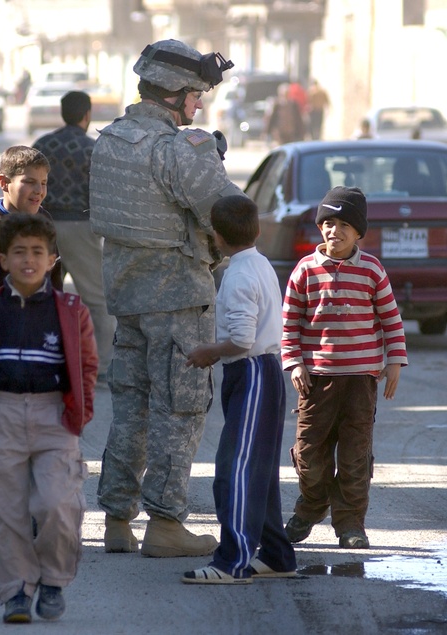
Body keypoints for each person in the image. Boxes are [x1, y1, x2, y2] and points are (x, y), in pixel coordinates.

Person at [89, 38, 242, 558]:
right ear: (176, 93)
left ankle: (116, 518)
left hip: (127, 297)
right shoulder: (179, 148)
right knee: (179, 409)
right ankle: (166, 524)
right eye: (196, 95)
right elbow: (228, 217)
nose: (198, 106)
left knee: (130, 407)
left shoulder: (110, 140)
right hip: (179, 300)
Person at [0, 213, 97, 623]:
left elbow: (88, 366)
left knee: (57, 504)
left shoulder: (70, 309)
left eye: (38, 252)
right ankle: (15, 594)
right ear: (4, 260)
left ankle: (52, 581)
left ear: (52, 259)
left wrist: (79, 415)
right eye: (19, 252)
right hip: (4, 414)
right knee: (5, 513)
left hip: (53, 417)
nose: (29, 260)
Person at [280, 186, 408, 550]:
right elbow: (289, 324)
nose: (334, 231)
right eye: (328, 223)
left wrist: (394, 359)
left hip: (360, 383)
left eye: (344, 225)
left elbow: (390, 318)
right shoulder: (305, 271)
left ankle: (351, 523)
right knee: (309, 453)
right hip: (316, 382)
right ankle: (310, 507)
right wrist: (295, 363)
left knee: (354, 457)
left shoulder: (371, 270)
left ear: (358, 232)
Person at [181, 195, 297, 584]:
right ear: (257, 229)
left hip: (251, 372)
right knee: (257, 469)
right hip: (262, 373)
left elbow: (242, 340)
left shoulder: (239, 275)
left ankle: (231, 562)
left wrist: (207, 353)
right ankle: (277, 555)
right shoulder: (259, 264)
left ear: (215, 235)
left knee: (236, 472)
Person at [33, 90, 117, 376]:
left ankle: (38, 358)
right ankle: (103, 367)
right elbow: (103, 194)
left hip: (43, 228)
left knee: (40, 297)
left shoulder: (42, 144)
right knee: (98, 301)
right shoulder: (91, 148)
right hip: (81, 229)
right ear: (87, 115)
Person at [0, 145, 63, 290]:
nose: (39, 191)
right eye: (30, 182)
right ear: (4, 183)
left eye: (43, 183)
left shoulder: (45, 220)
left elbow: (54, 273)